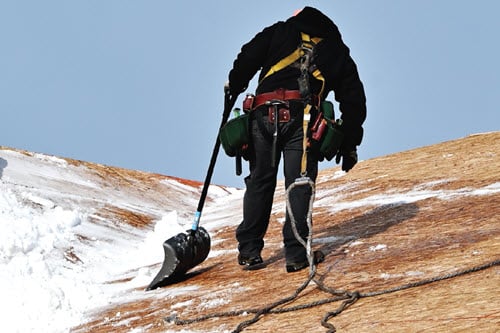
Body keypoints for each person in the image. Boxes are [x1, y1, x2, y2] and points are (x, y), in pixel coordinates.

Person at [226, 6, 366, 272]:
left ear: (297, 19)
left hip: (262, 114)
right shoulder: (336, 50)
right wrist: (350, 143)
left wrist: (234, 84)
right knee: (299, 183)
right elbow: (353, 99)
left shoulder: (280, 30)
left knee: (260, 180)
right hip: (301, 119)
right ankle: (296, 254)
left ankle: (249, 251)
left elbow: (247, 57)